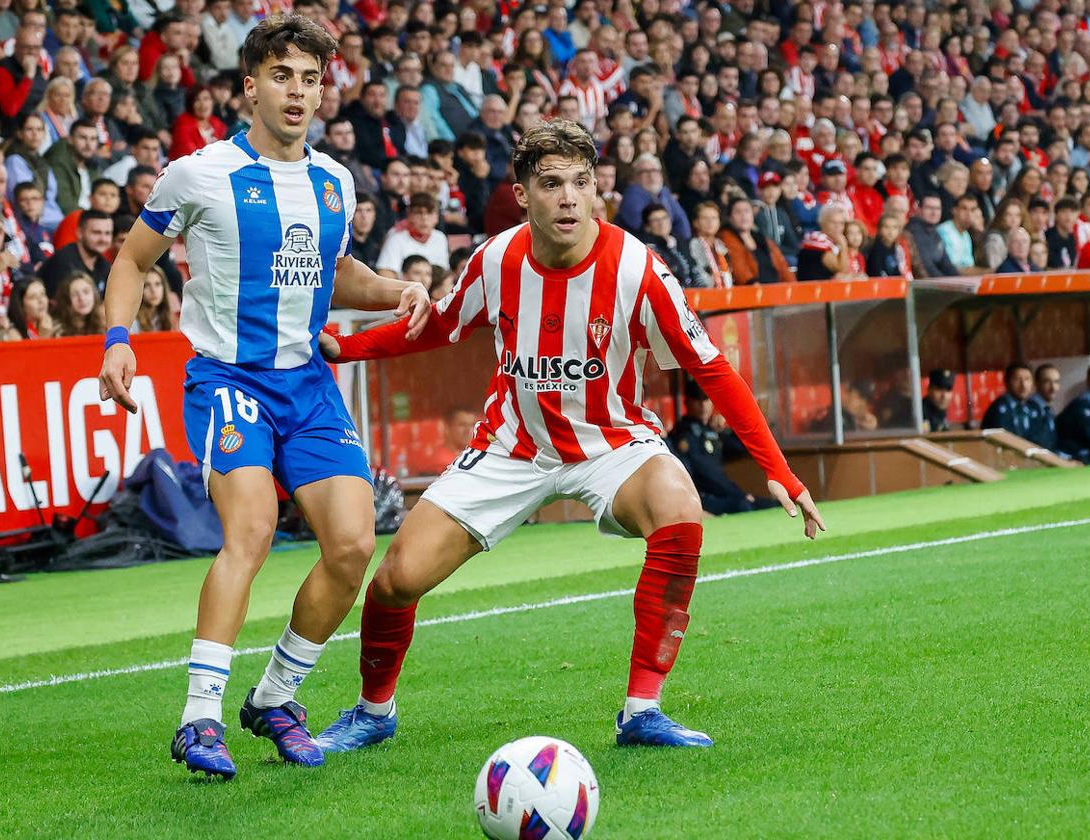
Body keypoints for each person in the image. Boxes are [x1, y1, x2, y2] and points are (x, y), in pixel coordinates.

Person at [318, 119, 823, 754]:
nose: (568, 197)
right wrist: (344, 346)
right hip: (510, 445)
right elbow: (438, 325)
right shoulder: (496, 258)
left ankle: (643, 710)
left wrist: (777, 467)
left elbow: (711, 367)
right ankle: (373, 712)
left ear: (596, 191)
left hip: (612, 441)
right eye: (551, 184)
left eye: (581, 183)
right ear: (523, 193)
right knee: (395, 580)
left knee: (680, 508)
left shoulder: (638, 267)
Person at [96, 15, 431, 781]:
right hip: (228, 381)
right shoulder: (198, 173)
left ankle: (274, 698)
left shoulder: (334, 181)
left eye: (311, 79)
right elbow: (130, 258)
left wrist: (396, 289)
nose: (298, 92)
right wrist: (117, 342)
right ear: (250, 85)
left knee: (351, 546)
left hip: (308, 384)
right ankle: (199, 720)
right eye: (283, 75)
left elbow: (337, 273)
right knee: (247, 529)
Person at [669, 378, 779, 515]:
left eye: (706, 400)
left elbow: (741, 447)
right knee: (744, 506)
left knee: (775, 505)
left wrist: (730, 424)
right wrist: (738, 494)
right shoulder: (684, 434)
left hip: (725, 493)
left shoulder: (710, 431)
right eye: (698, 401)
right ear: (687, 403)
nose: (703, 406)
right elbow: (707, 473)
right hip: (704, 497)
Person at [375, 191, 451, 277]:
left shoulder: (440, 238)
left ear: (437, 217)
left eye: (429, 213)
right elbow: (385, 273)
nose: (424, 218)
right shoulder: (396, 238)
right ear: (409, 215)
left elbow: (443, 272)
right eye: (419, 213)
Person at [41, 209, 112, 295]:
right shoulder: (63, 262)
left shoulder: (104, 265)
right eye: (96, 232)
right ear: (79, 233)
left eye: (107, 233)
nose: (103, 239)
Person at [981, 363, 1039, 439]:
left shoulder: (1033, 407)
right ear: (1006, 382)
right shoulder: (998, 409)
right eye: (1017, 379)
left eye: (1027, 379)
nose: (1023, 385)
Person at [53, 270, 104, 336]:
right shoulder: (57, 330)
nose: (82, 299)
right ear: (66, 300)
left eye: (86, 292)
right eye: (75, 294)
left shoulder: (103, 324)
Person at [1028, 364, 1063, 452]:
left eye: (1056, 382)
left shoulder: (1048, 409)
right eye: (1047, 382)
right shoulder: (1029, 409)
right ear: (1036, 383)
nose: (1053, 388)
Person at [132, 265, 172, 333]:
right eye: (147, 285)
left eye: (157, 284)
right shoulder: (133, 322)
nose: (153, 290)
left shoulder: (168, 317)